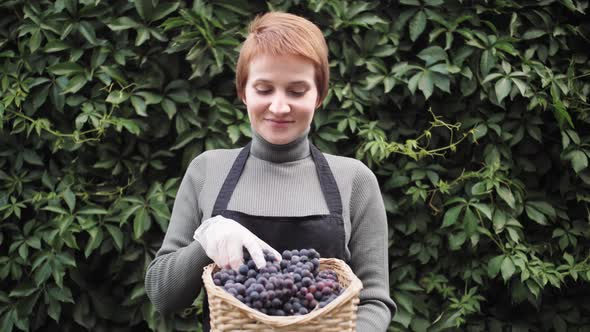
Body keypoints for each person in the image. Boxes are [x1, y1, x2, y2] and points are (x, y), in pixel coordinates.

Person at [145, 11, 396, 331]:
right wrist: (205, 242)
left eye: (297, 90)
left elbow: (374, 301)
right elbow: (162, 297)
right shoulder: (208, 170)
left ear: (319, 95)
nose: (279, 107)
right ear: (243, 92)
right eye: (264, 89)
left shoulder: (354, 179)